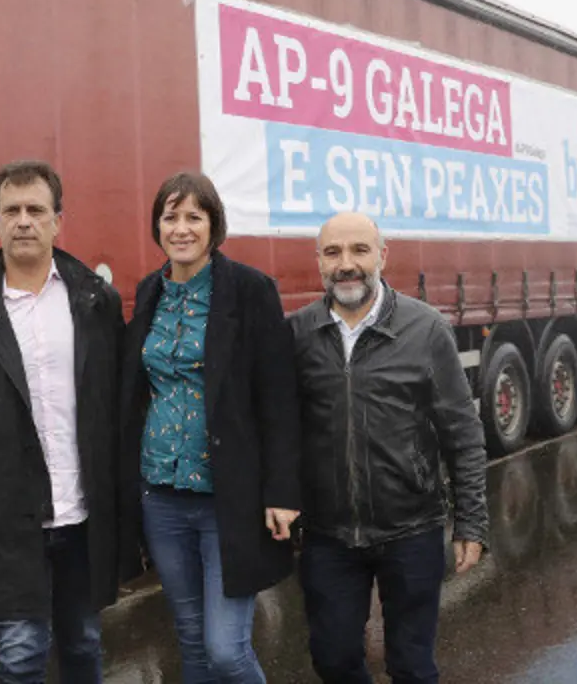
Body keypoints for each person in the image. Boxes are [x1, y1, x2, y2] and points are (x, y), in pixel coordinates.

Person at [0, 160, 132, 684]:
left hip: (80, 512)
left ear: (57, 220)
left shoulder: (94, 301)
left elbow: (120, 401)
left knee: (84, 643)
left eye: (36, 210)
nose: (24, 221)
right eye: (11, 210)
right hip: (7, 512)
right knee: (21, 654)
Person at [288, 212, 489, 684]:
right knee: (333, 660)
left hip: (412, 529)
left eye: (359, 250)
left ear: (383, 255)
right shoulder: (296, 335)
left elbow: (462, 431)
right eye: (334, 252)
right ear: (318, 261)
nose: (347, 264)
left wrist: (472, 521)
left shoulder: (425, 329)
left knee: (412, 666)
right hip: (328, 535)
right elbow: (279, 428)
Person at [118, 171, 301, 683]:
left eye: (193, 217)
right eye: (170, 216)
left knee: (227, 651)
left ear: (213, 226)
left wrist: (282, 491)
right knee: (193, 645)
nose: (181, 228)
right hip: (163, 498)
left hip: (228, 498)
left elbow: (279, 400)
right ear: (157, 226)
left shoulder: (249, 291)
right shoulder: (149, 291)